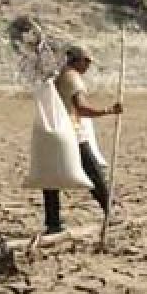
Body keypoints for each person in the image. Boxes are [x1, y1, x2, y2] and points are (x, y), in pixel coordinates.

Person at [42, 45, 123, 234]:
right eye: (87, 61)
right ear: (77, 60)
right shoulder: (72, 78)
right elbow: (81, 108)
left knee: (51, 178)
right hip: (70, 132)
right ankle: (110, 211)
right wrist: (109, 110)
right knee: (93, 171)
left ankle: (53, 222)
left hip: (54, 130)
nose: (88, 65)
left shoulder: (58, 75)